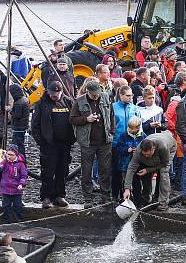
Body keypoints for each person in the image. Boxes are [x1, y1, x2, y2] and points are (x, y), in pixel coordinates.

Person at [31, 81, 75, 209]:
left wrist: (72, 139)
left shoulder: (68, 102)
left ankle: (59, 195)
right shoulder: (41, 104)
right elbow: (35, 125)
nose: (53, 96)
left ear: (61, 92)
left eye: (56, 94)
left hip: (65, 143)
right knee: (47, 171)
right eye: (51, 94)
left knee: (62, 170)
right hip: (48, 144)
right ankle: (46, 197)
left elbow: (74, 120)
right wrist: (41, 141)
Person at [70, 78, 114, 206]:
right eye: (93, 94)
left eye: (97, 93)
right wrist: (85, 119)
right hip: (87, 142)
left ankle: (105, 195)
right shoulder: (79, 101)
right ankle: (87, 197)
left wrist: (112, 132)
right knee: (87, 170)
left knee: (105, 169)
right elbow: (72, 119)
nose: (95, 96)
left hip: (104, 141)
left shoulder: (106, 98)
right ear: (87, 91)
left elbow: (111, 116)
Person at [123, 131, 177, 211]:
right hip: (156, 139)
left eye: (148, 154)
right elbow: (131, 168)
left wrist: (148, 170)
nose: (146, 156)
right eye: (144, 154)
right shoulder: (139, 151)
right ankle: (149, 198)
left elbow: (164, 163)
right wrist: (127, 188)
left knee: (163, 172)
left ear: (153, 149)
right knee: (148, 163)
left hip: (170, 145)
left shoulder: (162, 147)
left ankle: (163, 202)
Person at [111, 85, 142, 199]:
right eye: (128, 96)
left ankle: (132, 196)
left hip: (132, 143)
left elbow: (139, 126)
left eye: (132, 95)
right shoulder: (113, 108)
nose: (131, 97)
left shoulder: (135, 109)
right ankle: (115, 195)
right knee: (116, 171)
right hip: (116, 143)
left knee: (133, 170)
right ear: (121, 95)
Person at [113, 117, 146, 203]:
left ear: (138, 127)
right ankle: (123, 200)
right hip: (125, 164)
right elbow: (118, 148)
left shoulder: (143, 136)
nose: (130, 130)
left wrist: (139, 152)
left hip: (138, 165)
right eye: (129, 128)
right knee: (124, 182)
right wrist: (127, 150)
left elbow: (146, 149)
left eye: (133, 128)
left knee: (137, 183)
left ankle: (137, 201)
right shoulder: (123, 136)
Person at [0, 144, 27, 223]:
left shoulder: (21, 164)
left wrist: (21, 184)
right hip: (6, 189)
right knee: (6, 206)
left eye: (11, 155)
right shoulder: (5, 162)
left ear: (16, 155)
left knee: (17, 206)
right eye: (8, 154)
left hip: (16, 190)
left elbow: (24, 176)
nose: (9, 157)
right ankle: (6, 221)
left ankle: (19, 220)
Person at [8, 84, 29, 158]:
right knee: (20, 144)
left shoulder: (18, 103)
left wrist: (9, 110)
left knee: (18, 145)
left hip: (18, 127)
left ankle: (21, 159)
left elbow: (17, 116)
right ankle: (21, 159)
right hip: (24, 126)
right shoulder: (24, 99)